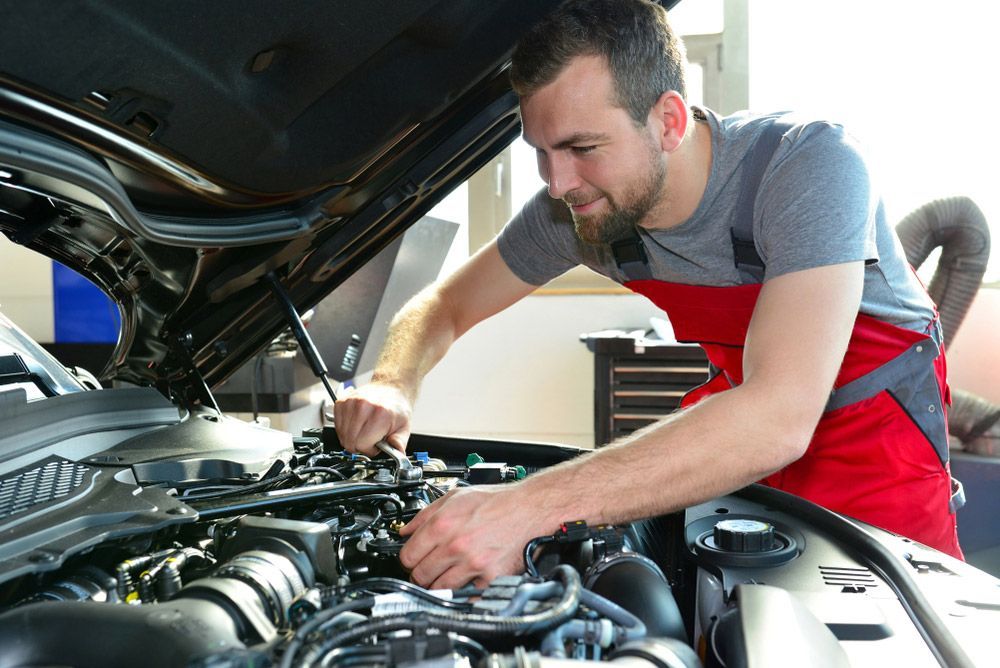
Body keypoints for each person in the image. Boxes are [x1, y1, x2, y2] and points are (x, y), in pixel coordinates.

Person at [334, 0, 963, 588]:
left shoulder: (807, 165)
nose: (557, 184)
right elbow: (444, 305)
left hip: (876, 460)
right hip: (738, 448)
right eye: (542, 152)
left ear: (668, 120)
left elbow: (778, 414)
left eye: (582, 148)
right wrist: (393, 380)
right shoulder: (578, 210)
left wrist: (526, 508)